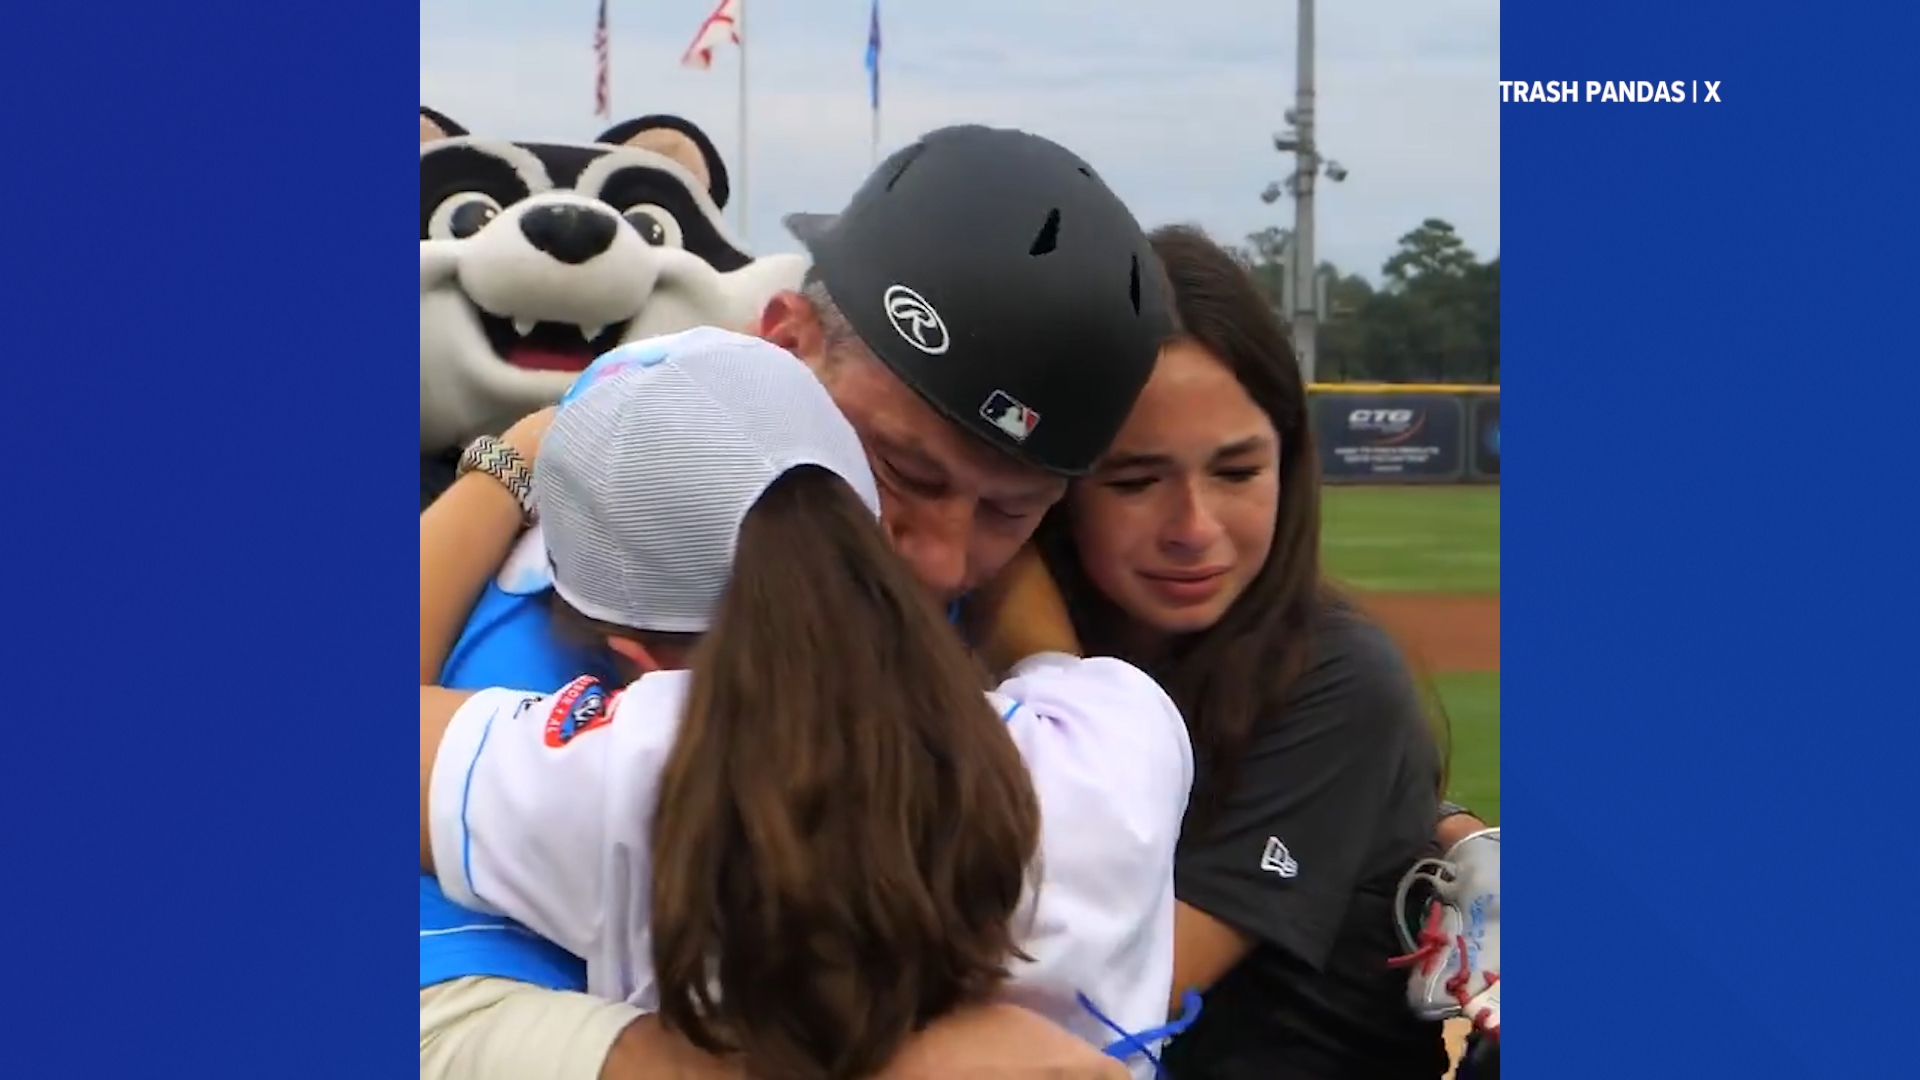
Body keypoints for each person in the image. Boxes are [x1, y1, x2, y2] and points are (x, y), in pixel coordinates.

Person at [420, 122, 1179, 1080]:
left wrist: (518, 453)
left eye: (1011, 513)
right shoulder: (535, 591)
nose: (941, 562)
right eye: (905, 470)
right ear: (782, 341)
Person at [991, 224, 1499, 1078]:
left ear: (1289, 463)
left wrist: (1040, 654)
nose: (1194, 530)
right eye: (1135, 480)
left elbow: (1100, 1005)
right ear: (1056, 485)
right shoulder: (992, 621)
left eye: (1236, 472)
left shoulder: (1336, 677)